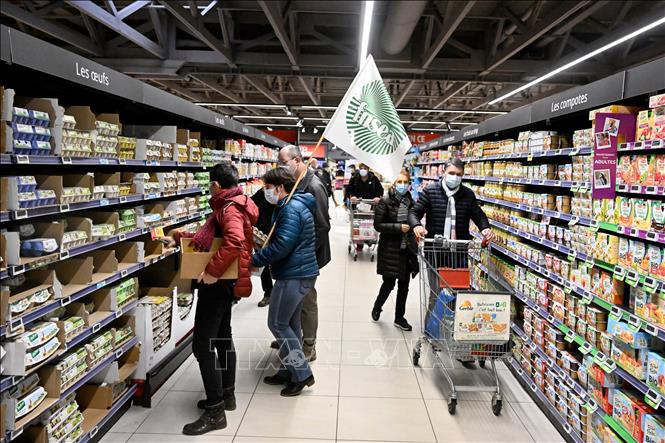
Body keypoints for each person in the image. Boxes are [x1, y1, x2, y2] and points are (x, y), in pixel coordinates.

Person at [161, 162, 258, 435]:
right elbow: (212, 238)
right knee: (223, 337)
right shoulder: (233, 203)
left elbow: (233, 241)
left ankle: (215, 411)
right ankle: (227, 394)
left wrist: (213, 272)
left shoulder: (228, 208)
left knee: (203, 346)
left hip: (218, 285)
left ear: (215, 185)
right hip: (227, 283)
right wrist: (180, 238)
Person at [408, 157, 493, 368]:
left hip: (458, 252)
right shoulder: (431, 191)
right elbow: (415, 212)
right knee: (437, 293)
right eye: (452, 173)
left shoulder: (467, 195)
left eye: (459, 174)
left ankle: (459, 342)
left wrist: (485, 228)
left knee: (459, 297)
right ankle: (432, 333)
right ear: (444, 173)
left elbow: (478, 214)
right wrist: (417, 225)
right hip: (435, 253)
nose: (455, 177)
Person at [252, 167, 319, 396]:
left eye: (268, 188)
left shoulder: (290, 209)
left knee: (277, 324)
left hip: (293, 274)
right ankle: (288, 369)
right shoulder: (293, 205)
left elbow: (282, 247)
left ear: (281, 188)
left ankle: (302, 373)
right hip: (300, 272)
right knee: (292, 325)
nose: (266, 192)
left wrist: (255, 259)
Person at [276, 145, 331, 362]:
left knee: (306, 299)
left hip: (307, 256)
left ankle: (309, 345)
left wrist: (304, 254)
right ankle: (293, 337)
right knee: (292, 298)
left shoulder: (314, 186)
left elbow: (322, 226)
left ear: (297, 160)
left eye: (283, 162)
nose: (280, 166)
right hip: (294, 254)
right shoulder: (295, 183)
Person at [372, 169, 419, 331]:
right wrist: (398, 227)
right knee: (389, 283)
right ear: (394, 184)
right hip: (390, 249)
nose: (402, 185)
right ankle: (378, 306)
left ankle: (400, 317)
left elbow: (415, 220)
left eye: (405, 182)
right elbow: (378, 225)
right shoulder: (385, 201)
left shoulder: (411, 202)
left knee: (404, 286)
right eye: (399, 182)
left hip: (406, 249)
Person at [251, 187, 275, 307]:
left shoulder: (284, 193)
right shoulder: (262, 193)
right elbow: (250, 204)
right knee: (263, 264)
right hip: (260, 235)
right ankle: (268, 292)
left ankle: (281, 292)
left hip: (277, 234)